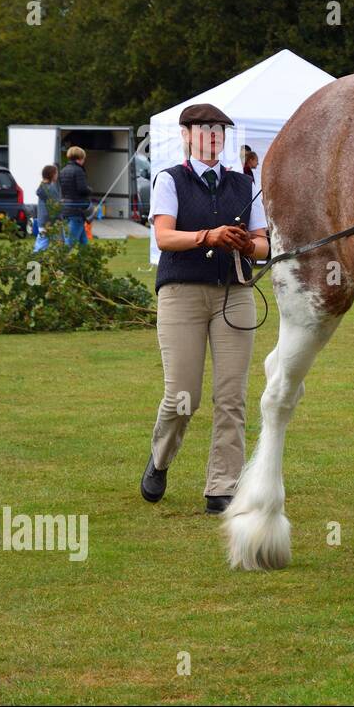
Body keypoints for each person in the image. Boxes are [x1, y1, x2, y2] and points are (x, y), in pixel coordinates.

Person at [140, 103, 269, 515]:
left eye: (219, 131)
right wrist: (207, 236)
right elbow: (163, 237)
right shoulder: (170, 180)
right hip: (181, 293)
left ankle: (223, 486)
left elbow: (265, 244)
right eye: (205, 130)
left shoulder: (245, 185)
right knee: (182, 396)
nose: (213, 138)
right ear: (186, 136)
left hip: (235, 293)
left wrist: (248, 245)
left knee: (232, 396)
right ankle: (160, 459)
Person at [58, 146, 92, 246]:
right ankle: (61, 261)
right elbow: (82, 189)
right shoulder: (79, 171)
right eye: (84, 158)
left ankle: (86, 260)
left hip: (65, 209)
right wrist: (90, 190)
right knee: (70, 243)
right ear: (80, 158)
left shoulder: (63, 170)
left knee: (83, 241)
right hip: (77, 210)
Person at [33, 165, 60, 252]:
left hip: (42, 220)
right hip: (51, 221)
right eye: (56, 173)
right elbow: (56, 206)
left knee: (40, 243)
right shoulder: (51, 188)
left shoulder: (42, 187)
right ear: (52, 174)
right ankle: (34, 262)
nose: (57, 175)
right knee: (59, 245)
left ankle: (33, 262)